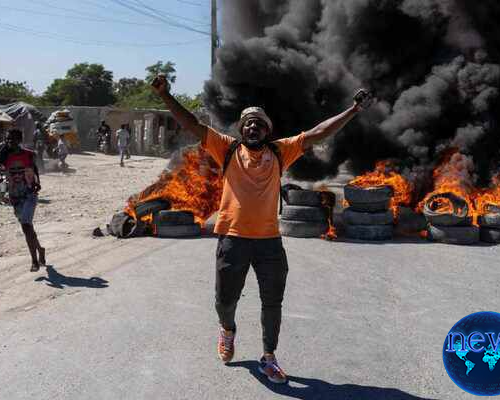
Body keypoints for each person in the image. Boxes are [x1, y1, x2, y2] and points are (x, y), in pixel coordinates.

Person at [151, 74, 372, 384]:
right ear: (241, 130)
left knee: (272, 302)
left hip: (269, 242)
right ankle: (227, 331)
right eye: (248, 124)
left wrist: (353, 110)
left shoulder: (281, 151)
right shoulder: (226, 149)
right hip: (232, 239)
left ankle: (269, 357)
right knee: (224, 301)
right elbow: (192, 124)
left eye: (259, 124)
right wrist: (165, 96)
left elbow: (319, 132)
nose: (253, 127)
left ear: (268, 131)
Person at [0, 129, 46, 272]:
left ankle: (34, 261)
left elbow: (35, 171)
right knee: (28, 228)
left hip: (29, 194)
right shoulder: (4, 155)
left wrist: (37, 183)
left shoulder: (29, 155)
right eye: (8, 139)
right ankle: (40, 249)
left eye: (12, 139)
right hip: (14, 196)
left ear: (19, 140)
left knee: (26, 226)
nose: (9, 142)